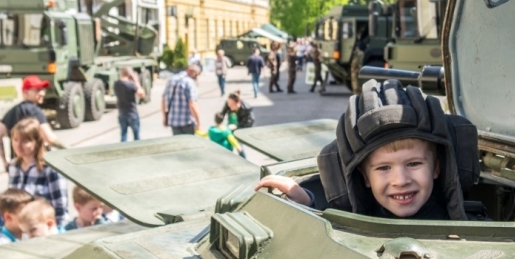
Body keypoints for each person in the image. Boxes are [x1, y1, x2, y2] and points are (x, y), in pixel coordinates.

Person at [256, 77, 482, 220]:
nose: (400, 180)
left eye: (413, 163)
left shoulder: (471, 226)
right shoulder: (354, 223)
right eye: (383, 168)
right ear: (364, 177)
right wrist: (305, 204)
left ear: (437, 167)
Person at [7, 117, 69, 227]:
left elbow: (60, 207)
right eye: (15, 140)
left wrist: (60, 230)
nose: (18, 145)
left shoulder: (50, 168)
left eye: (25, 141)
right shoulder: (13, 166)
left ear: (37, 142)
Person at [0, 76, 62, 169]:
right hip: (38, 165)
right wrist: (68, 150)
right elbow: (50, 139)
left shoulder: (13, 111)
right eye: (38, 90)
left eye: (42, 90)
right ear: (25, 93)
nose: (42, 93)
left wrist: (4, 161)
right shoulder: (36, 111)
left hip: (18, 165)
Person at [162, 56, 202, 135]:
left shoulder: (171, 79)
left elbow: (163, 100)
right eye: (196, 75)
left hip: (173, 122)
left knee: (178, 142)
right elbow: (192, 104)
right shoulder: (189, 82)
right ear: (192, 72)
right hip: (187, 122)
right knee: (189, 142)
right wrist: (198, 122)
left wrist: (164, 117)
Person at [114, 67, 144, 142]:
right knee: (136, 136)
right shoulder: (131, 84)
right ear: (130, 74)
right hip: (132, 112)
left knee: (123, 135)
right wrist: (136, 81)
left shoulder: (116, 84)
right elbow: (141, 94)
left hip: (121, 112)